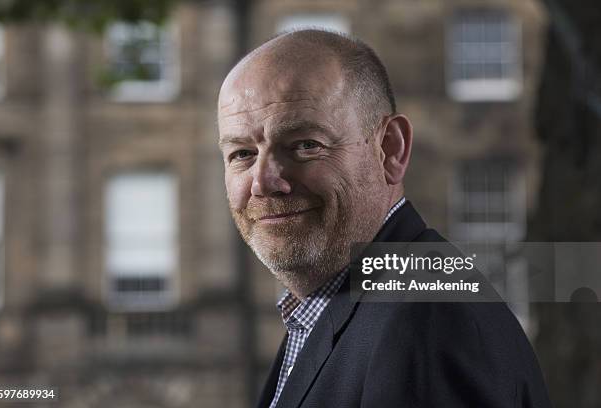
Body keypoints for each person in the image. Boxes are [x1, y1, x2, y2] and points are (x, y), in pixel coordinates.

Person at [217, 29, 551, 408]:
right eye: (242, 153)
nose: (263, 182)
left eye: (305, 145)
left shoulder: (426, 321)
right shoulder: (344, 310)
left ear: (390, 149)